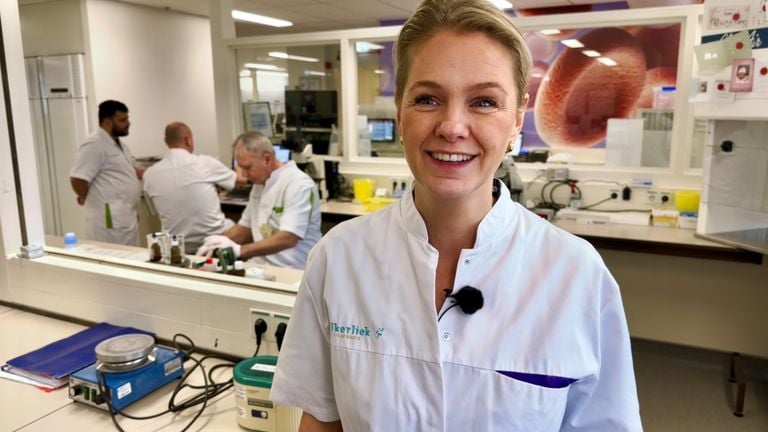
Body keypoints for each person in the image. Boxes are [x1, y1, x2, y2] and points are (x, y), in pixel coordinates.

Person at [270, 0, 642, 431]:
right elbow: (321, 420)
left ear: (516, 119)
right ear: (400, 111)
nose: (452, 126)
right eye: (427, 98)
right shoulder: (338, 258)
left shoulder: (577, 275)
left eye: (484, 102)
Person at [196, 131, 321, 269]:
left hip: (293, 269)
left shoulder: (299, 184)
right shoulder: (259, 184)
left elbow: (289, 238)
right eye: (240, 167)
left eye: (247, 167)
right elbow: (245, 227)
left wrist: (239, 250)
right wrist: (220, 241)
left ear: (267, 159)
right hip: (261, 265)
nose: (243, 175)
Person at [142, 122, 247, 253]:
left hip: (176, 246)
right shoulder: (205, 163)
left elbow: (154, 211)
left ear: (166, 142)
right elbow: (242, 181)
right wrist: (240, 165)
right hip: (213, 239)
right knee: (244, 228)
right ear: (188, 140)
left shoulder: (149, 174)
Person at [70, 100, 143, 246]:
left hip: (125, 216)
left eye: (127, 119)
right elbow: (77, 178)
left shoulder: (121, 145)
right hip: (110, 220)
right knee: (112, 259)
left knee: (130, 260)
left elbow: (124, 171)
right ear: (107, 122)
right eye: (122, 120)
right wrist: (85, 195)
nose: (128, 123)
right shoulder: (94, 145)